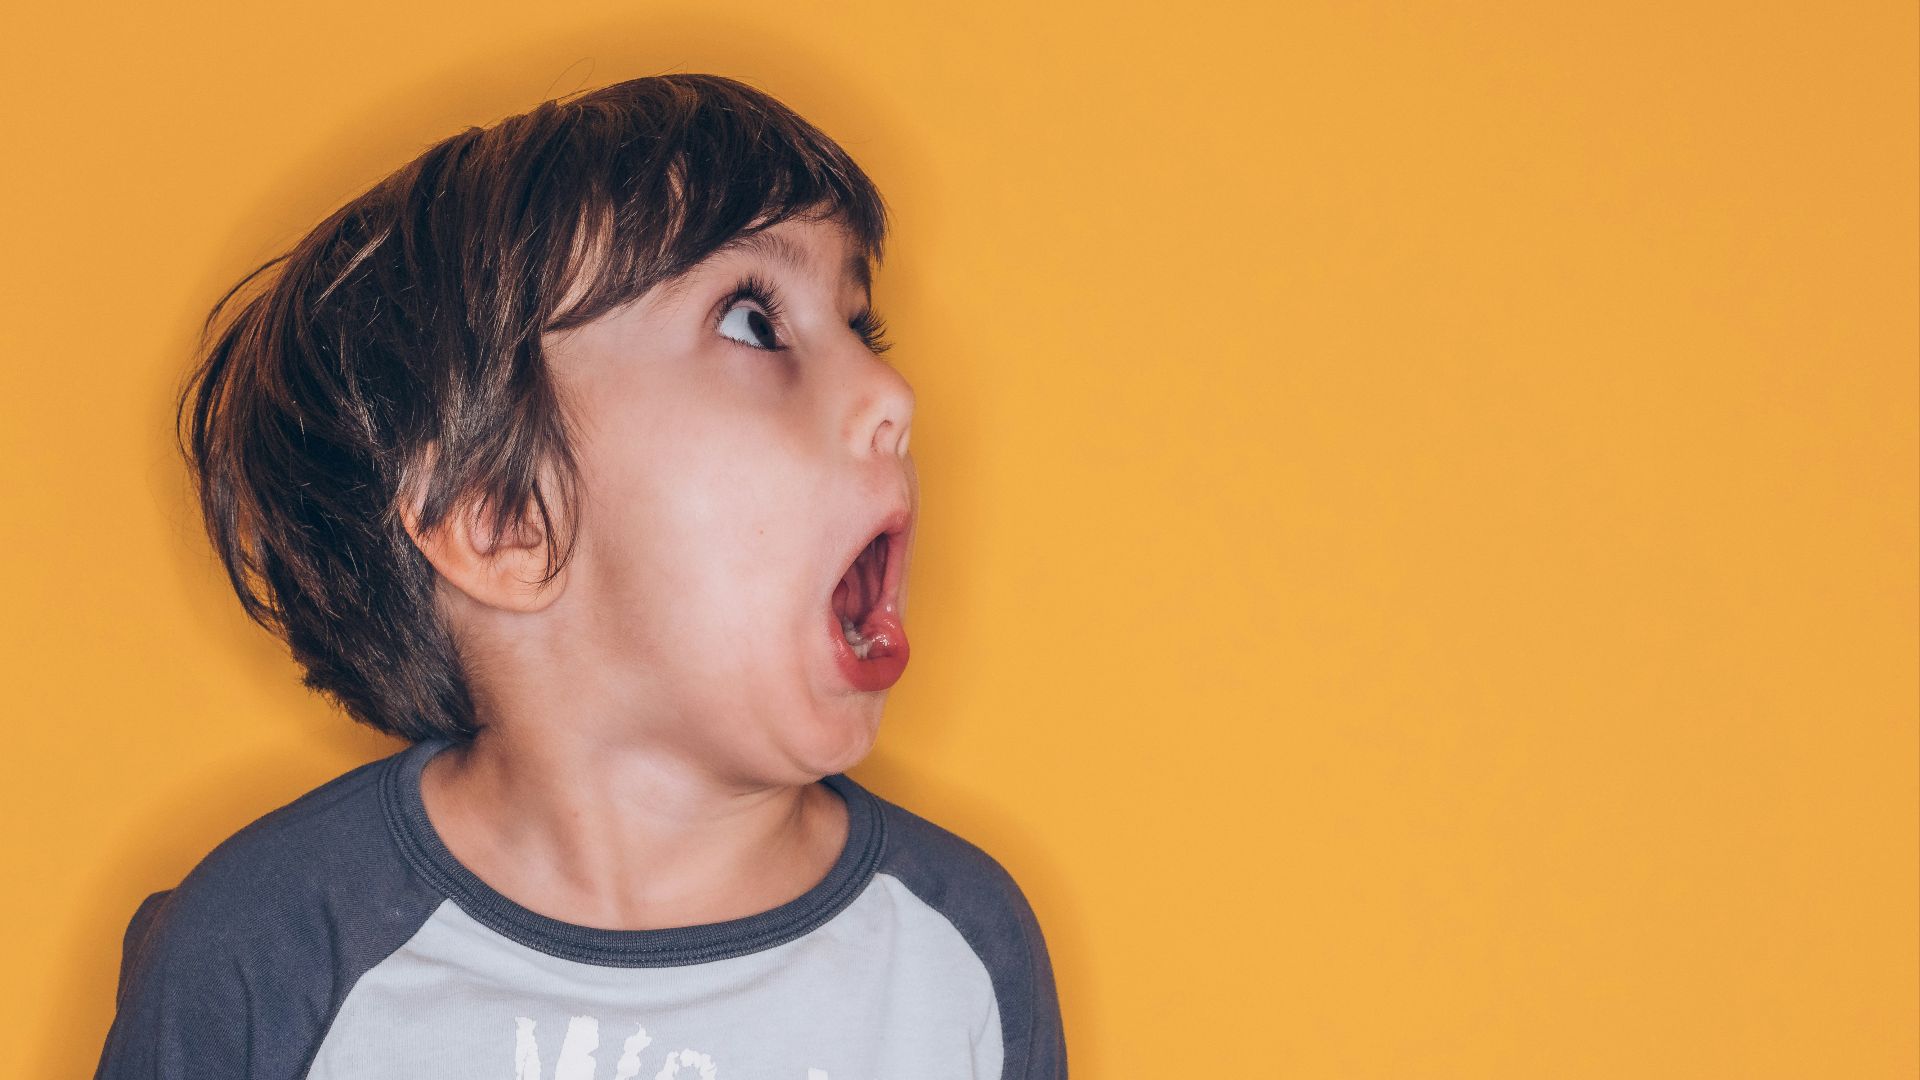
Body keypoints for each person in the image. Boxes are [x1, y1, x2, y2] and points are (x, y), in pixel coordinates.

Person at [93, 72, 1067, 1079]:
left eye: (860, 329)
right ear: (504, 521)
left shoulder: (959, 953)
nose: (889, 392)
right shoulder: (271, 949)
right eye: (752, 322)